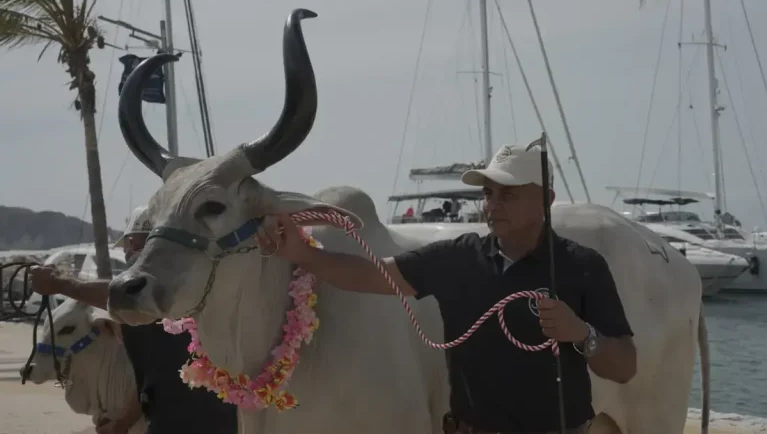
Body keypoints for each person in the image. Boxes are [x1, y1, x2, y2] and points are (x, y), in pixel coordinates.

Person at [257, 142, 637, 434]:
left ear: (546, 201)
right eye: (488, 193)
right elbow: (372, 274)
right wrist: (302, 253)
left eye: (508, 194)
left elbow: (624, 368)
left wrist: (581, 334)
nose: (492, 205)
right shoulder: (458, 258)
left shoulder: (582, 267)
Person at [29, 206, 238, 434]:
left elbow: (125, 293)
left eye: (133, 244)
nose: (130, 252)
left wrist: (61, 284)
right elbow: (153, 378)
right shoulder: (209, 289)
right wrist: (123, 423)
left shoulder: (172, 296)